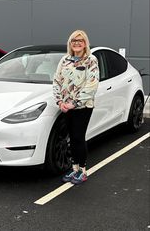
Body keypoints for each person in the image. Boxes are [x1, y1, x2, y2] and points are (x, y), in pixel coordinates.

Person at [53, 30, 99, 184]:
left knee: (79, 137)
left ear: (85, 43)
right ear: (70, 43)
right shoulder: (64, 60)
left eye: (80, 40)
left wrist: (74, 103)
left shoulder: (90, 60)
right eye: (74, 40)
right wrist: (59, 102)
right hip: (65, 106)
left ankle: (83, 171)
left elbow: (91, 85)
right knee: (71, 139)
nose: (77, 43)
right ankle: (74, 170)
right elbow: (57, 81)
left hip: (82, 107)